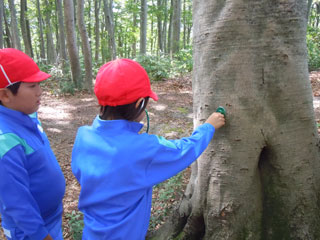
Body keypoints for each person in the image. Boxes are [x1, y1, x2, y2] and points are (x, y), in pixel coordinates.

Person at [71, 58, 225, 240]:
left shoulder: (83, 136)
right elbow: (183, 150)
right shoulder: (143, 149)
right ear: (138, 104)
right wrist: (208, 127)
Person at [0, 48, 66, 240]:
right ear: (5, 95)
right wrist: (41, 235)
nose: (40, 91)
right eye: (32, 86)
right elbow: (16, 202)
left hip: (50, 218)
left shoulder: (27, 115)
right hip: (30, 231)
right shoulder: (5, 140)